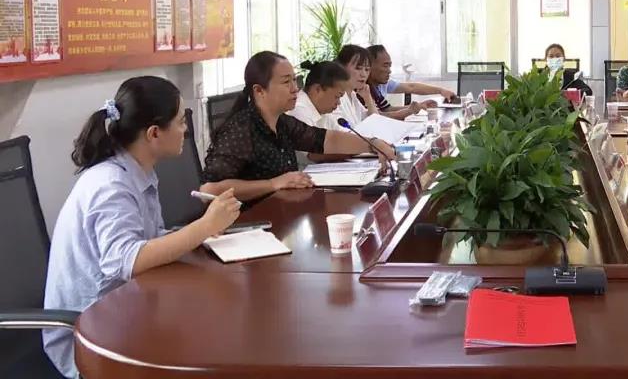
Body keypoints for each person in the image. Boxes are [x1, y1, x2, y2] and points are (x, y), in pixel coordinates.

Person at [44, 76, 242, 378]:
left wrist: (201, 235)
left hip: (128, 308)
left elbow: (147, 239)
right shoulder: (110, 185)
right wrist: (202, 227)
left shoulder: (137, 172)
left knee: (215, 322)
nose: (186, 129)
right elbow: (126, 260)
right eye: (180, 122)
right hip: (90, 338)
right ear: (154, 133)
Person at [201, 51, 395, 201]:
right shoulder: (241, 128)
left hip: (281, 209)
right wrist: (273, 183)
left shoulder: (282, 122)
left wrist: (372, 143)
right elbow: (210, 190)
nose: (295, 88)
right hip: (249, 222)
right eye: (286, 82)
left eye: (294, 80)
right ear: (259, 91)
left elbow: (325, 139)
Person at [289, 60, 359, 164]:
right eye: (337, 96)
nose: (339, 103)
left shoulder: (323, 110)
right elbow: (313, 155)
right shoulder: (299, 109)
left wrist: (368, 143)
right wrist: (357, 150)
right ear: (318, 89)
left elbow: (341, 137)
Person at [367, 44, 448, 120]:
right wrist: (409, 111)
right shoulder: (363, 90)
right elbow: (376, 117)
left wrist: (419, 106)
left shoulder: (376, 87)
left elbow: (387, 109)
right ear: (369, 66)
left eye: (389, 66)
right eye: (385, 66)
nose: (389, 71)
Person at [333, 44, 379, 126]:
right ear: (342, 67)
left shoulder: (352, 95)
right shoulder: (334, 96)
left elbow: (376, 122)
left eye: (367, 69)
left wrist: (368, 99)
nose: (363, 74)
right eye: (358, 68)